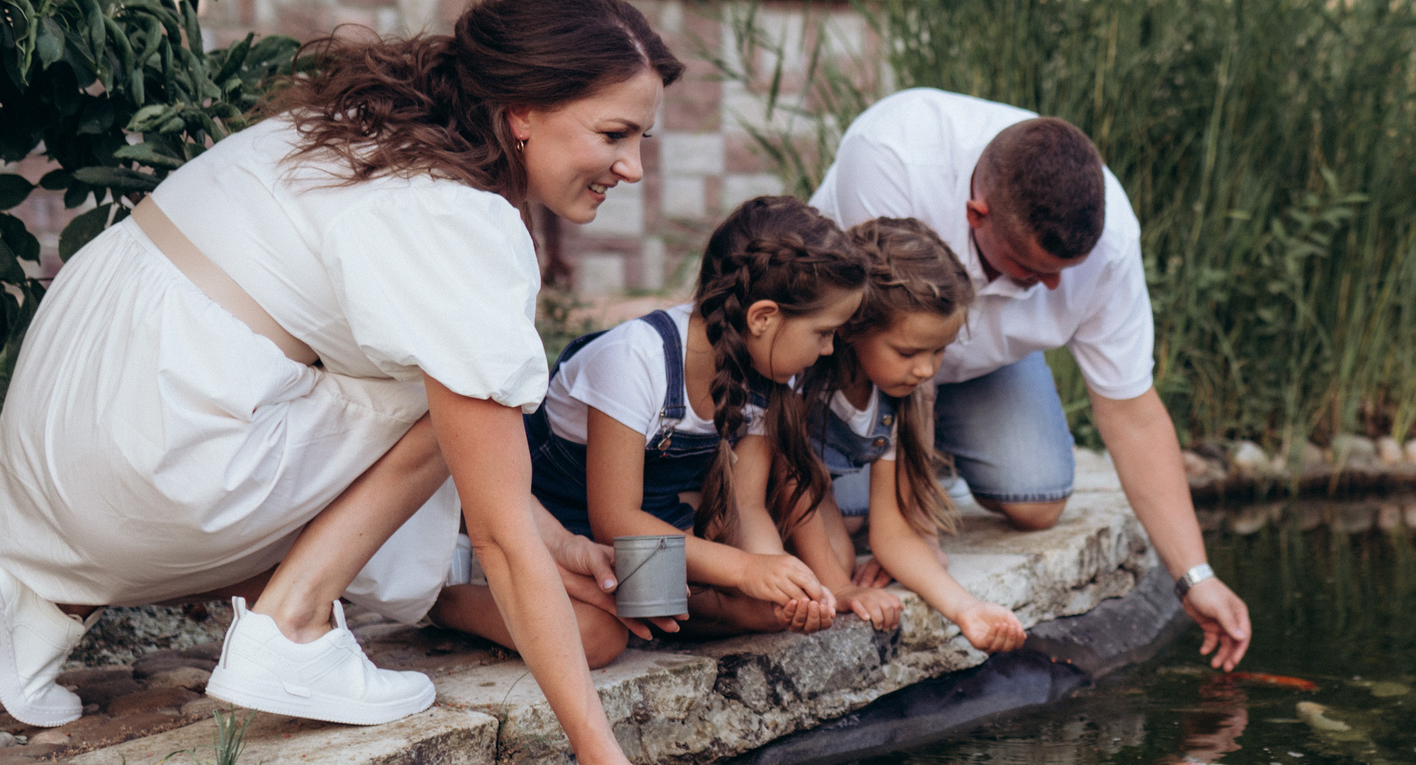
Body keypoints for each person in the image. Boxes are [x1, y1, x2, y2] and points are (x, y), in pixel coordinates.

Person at [0, 0, 699, 765]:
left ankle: (37, 596)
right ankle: (292, 626)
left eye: (640, 139)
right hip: (157, 462)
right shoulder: (459, 219)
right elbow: (493, 525)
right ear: (525, 109)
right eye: (614, 134)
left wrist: (558, 541)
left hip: (64, 439)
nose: (632, 167)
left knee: (433, 373)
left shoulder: (357, 132)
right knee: (448, 382)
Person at [809, 89, 1253, 669]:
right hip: (869, 358)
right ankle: (912, 464)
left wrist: (1194, 576)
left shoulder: (1109, 238)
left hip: (981, 364)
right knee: (842, 517)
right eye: (1030, 269)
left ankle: (937, 455)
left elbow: (1133, 413)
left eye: (1062, 274)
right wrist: (918, 526)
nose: (1048, 288)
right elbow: (893, 348)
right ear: (977, 214)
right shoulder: (891, 153)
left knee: (1037, 500)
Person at [501, 195, 859, 641]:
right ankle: (454, 602)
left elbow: (745, 504)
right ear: (763, 317)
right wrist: (745, 569)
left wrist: (778, 576)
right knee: (616, 624)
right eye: (823, 333)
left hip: (657, 521)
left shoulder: (767, 372)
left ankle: (675, 611)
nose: (827, 350)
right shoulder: (636, 360)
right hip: (568, 519)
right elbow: (615, 519)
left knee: (772, 611)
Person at [781, 216, 1026, 656]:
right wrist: (840, 588)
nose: (927, 370)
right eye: (908, 352)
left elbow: (891, 533)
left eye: (939, 351)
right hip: (748, 506)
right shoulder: (804, 383)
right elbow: (790, 485)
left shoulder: (893, 398)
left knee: (839, 554)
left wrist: (966, 608)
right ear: (852, 328)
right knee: (833, 566)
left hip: (806, 500)